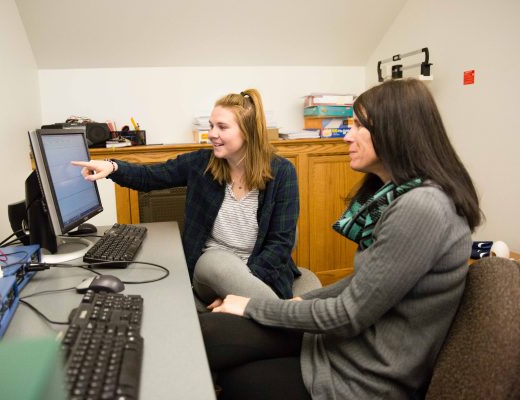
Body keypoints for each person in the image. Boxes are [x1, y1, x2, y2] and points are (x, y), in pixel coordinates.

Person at [199, 78, 483, 400]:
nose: (347, 135)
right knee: (210, 333)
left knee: (238, 376)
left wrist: (254, 305)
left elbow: (347, 315)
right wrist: (297, 302)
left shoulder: (422, 208)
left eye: (359, 125)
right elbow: (363, 282)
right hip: (343, 346)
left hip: (363, 374)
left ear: (394, 131)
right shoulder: (402, 196)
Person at [72, 88, 300, 310]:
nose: (212, 134)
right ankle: (286, 316)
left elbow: (280, 244)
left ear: (248, 132)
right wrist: (112, 166)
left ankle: (277, 317)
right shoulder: (201, 163)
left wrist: (236, 292)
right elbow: (150, 176)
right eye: (211, 126)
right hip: (209, 271)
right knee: (216, 263)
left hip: (260, 273)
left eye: (222, 127)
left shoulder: (282, 173)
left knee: (233, 321)